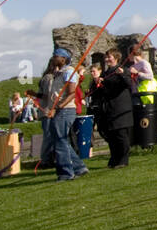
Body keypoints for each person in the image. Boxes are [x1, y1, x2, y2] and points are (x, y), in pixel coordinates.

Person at [40, 48, 89, 182]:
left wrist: (58, 107)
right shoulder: (58, 73)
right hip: (59, 110)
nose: (53, 58)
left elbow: (72, 93)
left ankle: (66, 173)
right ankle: (79, 167)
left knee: (60, 142)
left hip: (65, 110)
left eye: (56, 56)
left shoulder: (69, 72)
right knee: (60, 140)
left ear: (63, 58)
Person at [92, 49, 135, 168]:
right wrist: (97, 83)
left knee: (121, 135)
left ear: (116, 57)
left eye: (109, 57)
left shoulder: (123, 70)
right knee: (111, 136)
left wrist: (121, 75)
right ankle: (114, 159)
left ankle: (123, 160)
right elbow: (99, 92)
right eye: (106, 57)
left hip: (120, 108)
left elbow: (128, 84)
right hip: (108, 109)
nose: (106, 59)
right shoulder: (105, 73)